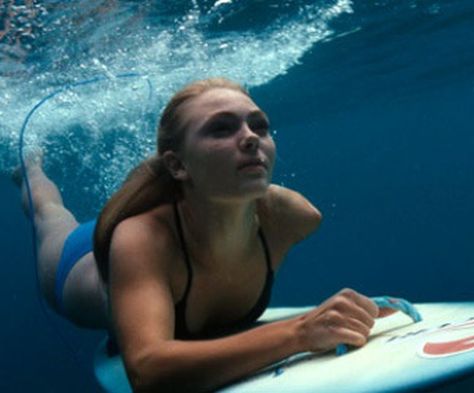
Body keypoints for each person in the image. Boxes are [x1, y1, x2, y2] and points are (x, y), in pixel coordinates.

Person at [16, 78, 393, 392]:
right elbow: (147, 370)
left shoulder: (291, 216)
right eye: (221, 128)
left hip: (158, 225)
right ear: (177, 165)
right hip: (77, 265)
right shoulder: (141, 237)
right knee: (49, 215)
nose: (251, 138)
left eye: (259, 125)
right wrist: (299, 333)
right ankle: (31, 169)